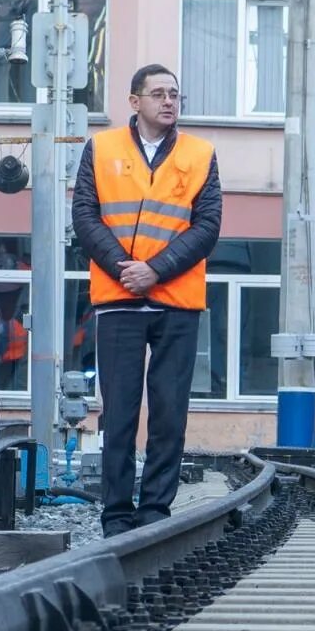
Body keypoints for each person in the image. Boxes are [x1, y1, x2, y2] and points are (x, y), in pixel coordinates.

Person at [72, 65, 221, 537]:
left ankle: (155, 510)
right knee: (118, 412)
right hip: (119, 299)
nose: (169, 102)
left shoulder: (201, 155)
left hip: (176, 300)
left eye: (174, 94)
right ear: (134, 102)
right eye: (158, 94)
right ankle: (116, 515)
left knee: (169, 411)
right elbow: (85, 215)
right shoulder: (101, 148)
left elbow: (207, 226)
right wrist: (126, 269)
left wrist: (155, 270)